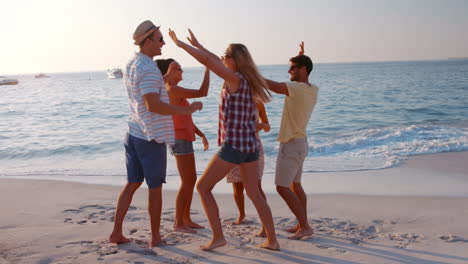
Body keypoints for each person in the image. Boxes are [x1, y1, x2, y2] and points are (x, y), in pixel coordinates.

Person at [168, 29, 280, 251]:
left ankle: (218, 237)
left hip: (235, 147)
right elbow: (212, 59)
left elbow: (209, 61)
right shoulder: (248, 78)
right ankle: (272, 240)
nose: (222, 59)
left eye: (225, 56)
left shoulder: (235, 78)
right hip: (250, 146)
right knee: (255, 193)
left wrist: (181, 45)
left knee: (203, 187)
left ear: (233, 60)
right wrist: (198, 44)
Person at [108, 20, 203, 248]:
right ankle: (156, 238)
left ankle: (116, 233)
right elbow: (152, 104)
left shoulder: (132, 62)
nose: (163, 44)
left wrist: (164, 80)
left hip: (133, 132)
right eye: (160, 39)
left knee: (132, 183)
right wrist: (185, 110)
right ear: (148, 40)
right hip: (151, 136)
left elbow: (146, 92)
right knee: (155, 188)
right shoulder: (149, 66)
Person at [264, 42, 318, 240]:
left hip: (292, 144)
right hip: (301, 143)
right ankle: (301, 223)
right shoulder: (311, 89)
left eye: (292, 68)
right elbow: (299, 77)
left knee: (281, 187)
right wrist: (301, 57)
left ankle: (305, 226)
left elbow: (275, 86)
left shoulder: (296, 88)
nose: (289, 71)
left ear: (303, 70)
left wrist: (251, 74)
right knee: (296, 185)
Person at [155, 58, 209, 233]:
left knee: (190, 179)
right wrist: (208, 69)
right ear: (168, 72)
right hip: (179, 139)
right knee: (187, 181)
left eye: (181, 68)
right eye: (178, 68)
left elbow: (185, 118)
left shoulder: (174, 90)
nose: (182, 71)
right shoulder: (173, 89)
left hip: (184, 137)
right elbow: (203, 91)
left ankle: (186, 218)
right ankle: (179, 222)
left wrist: (200, 135)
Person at [226, 101, 269, 237]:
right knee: (237, 185)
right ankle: (241, 215)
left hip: (254, 146)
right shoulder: (231, 101)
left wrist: (261, 125)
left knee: (256, 186)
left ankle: (265, 226)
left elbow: (267, 126)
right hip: (234, 146)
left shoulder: (258, 103)